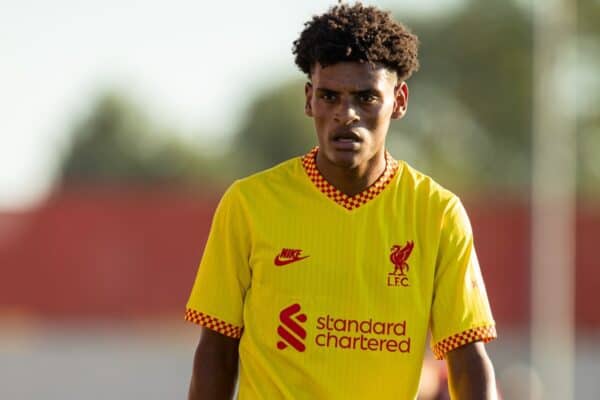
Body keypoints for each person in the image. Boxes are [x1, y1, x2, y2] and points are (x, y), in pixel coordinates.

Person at [185, 3, 497, 399]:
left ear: (399, 101)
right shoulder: (249, 203)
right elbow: (216, 351)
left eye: (366, 98)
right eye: (329, 96)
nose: (345, 114)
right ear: (309, 98)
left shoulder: (437, 213)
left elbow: (468, 360)